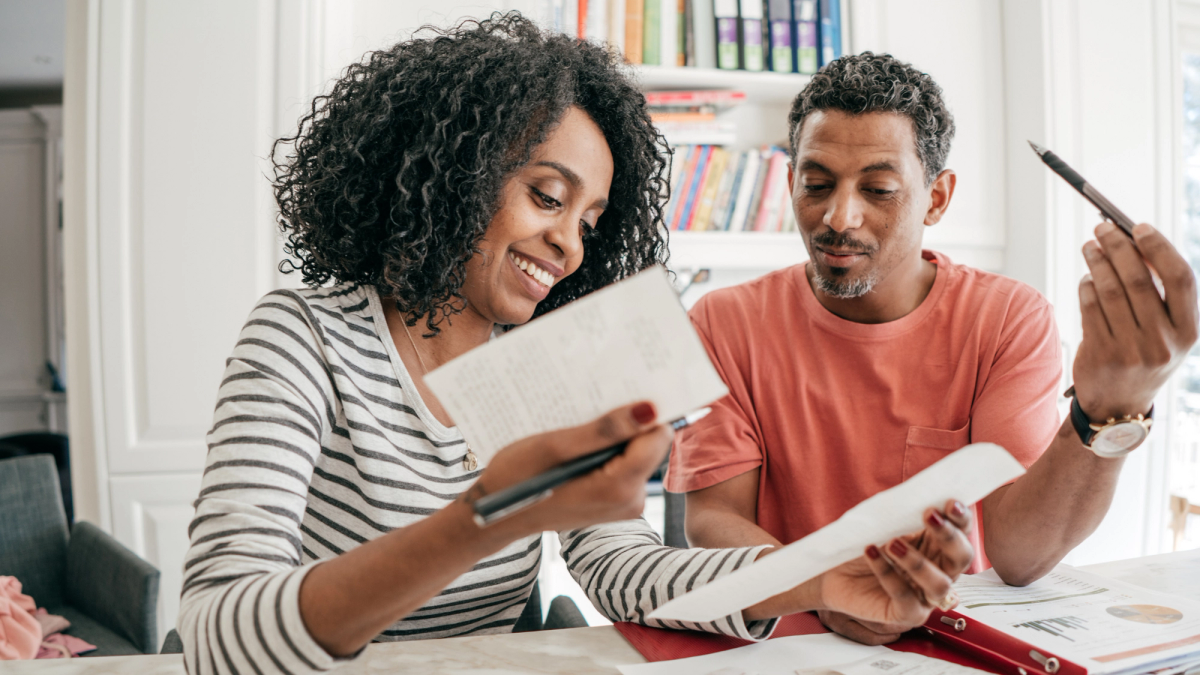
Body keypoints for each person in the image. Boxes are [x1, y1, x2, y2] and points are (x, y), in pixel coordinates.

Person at [177, 19, 976, 675]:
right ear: (452, 172)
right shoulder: (304, 337)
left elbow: (628, 570)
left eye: (591, 222)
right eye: (547, 196)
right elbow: (216, 632)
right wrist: (487, 517)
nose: (569, 246)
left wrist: (819, 576)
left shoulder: (559, 361)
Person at [668, 52, 1199, 646]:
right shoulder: (722, 320)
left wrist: (1107, 408)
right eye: (816, 184)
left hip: (942, 641)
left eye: (879, 189)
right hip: (783, 639)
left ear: (937, 199)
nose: (839, 217)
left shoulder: (1005, 319)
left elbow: (1019, 557)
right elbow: (713, 517)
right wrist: (822, 587)